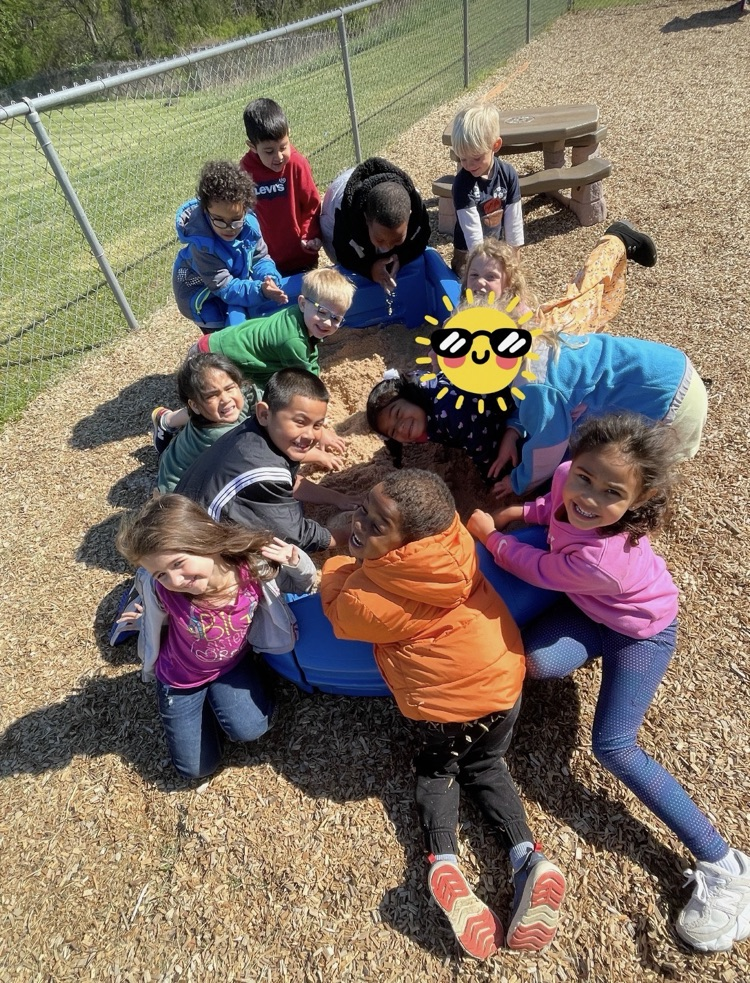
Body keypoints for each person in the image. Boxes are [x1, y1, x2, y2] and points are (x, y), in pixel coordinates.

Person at [467, 413, 750, 953]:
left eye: (612, 492)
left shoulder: (605, 560)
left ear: (637, 502)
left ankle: (723, 862)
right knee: (540, 662)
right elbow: (551, 509)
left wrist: (491, 537)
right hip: (593, 611)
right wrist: (520, 510)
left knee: (614, 746)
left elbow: (540, 568)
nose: (589, 497)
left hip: (640, 632)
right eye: (586, 479)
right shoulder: (570, 476)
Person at [320, 469, 565, 960]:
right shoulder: (451, 544)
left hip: (449, 707)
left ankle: (444, 860)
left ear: (409, 542)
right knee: (489, 765)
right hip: (502, 682)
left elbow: (337, 609)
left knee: (440, 769)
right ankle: (526, 857)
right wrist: (364, 536)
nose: (362, 523)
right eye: (364, 508)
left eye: (376, 522)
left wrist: (337, 560)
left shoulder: (376, 601)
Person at [115, 494, 316, 780]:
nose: (174, 580)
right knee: (195, 769)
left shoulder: (254, 570)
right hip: (179, 677)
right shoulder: (164, 591)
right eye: (161, 574)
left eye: (177, 563)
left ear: (205, 539)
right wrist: (143, 622)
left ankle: (225, 698)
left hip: (231, 665)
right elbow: (155, 616)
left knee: (251, 729)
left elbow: (304, 583)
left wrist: (295, 559)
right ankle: (192, 708)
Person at [485, 323, 708, 499]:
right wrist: (514, 430)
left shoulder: (535, 385)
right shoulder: (539, 343)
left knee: (614, 470)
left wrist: (518, 482)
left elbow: (547, 448)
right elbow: (544, 397)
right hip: (673, 367)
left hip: (669, 405)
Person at [176, 368, 358, 553]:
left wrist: (338, 499)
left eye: (317, 425)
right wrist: (347, 533)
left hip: (180, 521)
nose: (310, 435)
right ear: (264, 414)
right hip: (195, 551)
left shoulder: (250, 430)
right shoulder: (263, 468)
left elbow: (288, 482)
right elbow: (296, 537)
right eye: (300, 422)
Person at [462, 220, 657, 332]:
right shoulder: (466, 308)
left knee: (587, 292)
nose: (480, 281)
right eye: (474, 275)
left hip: (554, 328)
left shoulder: (514, 309)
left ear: (508, 284)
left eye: (490, 277)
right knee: (591, 312)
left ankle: (616, 239)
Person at [195, 267, 355, 392]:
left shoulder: (299, 315)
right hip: (211, 359)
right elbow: (304, 379)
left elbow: (310, 354)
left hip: (217, 344)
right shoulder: (292, 341)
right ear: (303, 303)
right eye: (322, 311)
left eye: (336, 318)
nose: (327, 323)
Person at [172, 160, 288, 333]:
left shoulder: (249, 226)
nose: (228, 228)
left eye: (235, 220)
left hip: (226, 278)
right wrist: (260, 291)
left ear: (245, 210)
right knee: (217, 324)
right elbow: (225, 287)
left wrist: (269, 278)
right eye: (219, 220)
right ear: (205, 210)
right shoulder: (203, 247)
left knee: (244, 307)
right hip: (199, 292)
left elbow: (260, 258)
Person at [366, 369, 511, 483]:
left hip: (509, 406)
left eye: (398, 413)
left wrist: (492, 478)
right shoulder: (418, 384)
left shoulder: (451, 413)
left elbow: (481, 445)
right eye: (392, 431)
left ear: (410, 397)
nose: (401, 428)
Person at [320, 157, 431, 294]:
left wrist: (401, 257)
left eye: (397, 240)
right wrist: (369, 269)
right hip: (333, 215)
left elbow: (421, 239)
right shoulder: (344, 213)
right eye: (380, 240)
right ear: (366, 219)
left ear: (410, 216)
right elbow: (343, 253)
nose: (387, 247)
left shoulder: (416, 207)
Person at [239, 97, 323, 276]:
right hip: (265, 263)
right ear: (253, 146)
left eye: (283, 147)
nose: (278, 156)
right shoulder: (244, 171)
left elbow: (311, 205)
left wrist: (309, 234)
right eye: (269, 151)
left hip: (301, 257)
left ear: (288, 134)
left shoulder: (297, 164)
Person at [151, 353, 257, 491]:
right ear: (194, 405)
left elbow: (255, 394)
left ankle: (166, 421)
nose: (226, 399)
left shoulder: (222, 409)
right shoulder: (222, 437)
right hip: (177, 489)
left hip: (172, 459)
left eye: (230, 388)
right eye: (212, 396)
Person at [450, 104, 524, 275]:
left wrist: (514, 258)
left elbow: (514, 222)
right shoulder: (463, 184)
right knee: (472, 286)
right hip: (467, 253)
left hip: (495, 246)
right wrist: (483, 268)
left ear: (495, 145)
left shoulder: (508, 175)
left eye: (476, 158)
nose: (469, 165)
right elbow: (473, 236)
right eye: (462, 159)